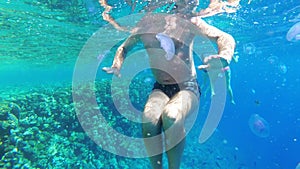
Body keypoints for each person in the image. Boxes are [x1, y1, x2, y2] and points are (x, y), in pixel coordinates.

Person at [101, 1, 236, 169]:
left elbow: (224, 37)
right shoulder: (143, 27)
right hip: (161, 87)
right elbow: (124, 47)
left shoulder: (188, 22)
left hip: (187, 86)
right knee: (149, 120)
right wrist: (117, 64)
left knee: (171, 116)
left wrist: (224, 55)